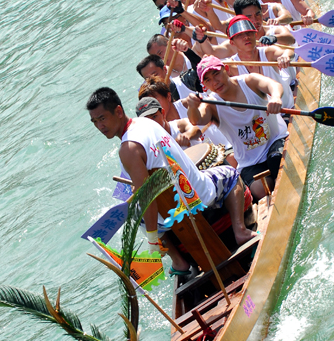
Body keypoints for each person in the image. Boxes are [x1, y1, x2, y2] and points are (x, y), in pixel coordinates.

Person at [87, 87, 257, 276]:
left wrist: (152, 240)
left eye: (102, 119)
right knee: (228, 172)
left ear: (118, 111)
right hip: (195, 196)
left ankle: (179, 262)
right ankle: (240, 230)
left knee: (136, 212)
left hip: (178, 213)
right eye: (95, 122)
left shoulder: (127, 150)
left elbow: (147, 199)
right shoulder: (146, 122)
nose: (100, 126)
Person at [185, 57, 288, 201]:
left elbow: (274, 85)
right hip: (249, 162)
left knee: (276, 160)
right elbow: (196, 119)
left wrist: (276, 98)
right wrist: (192, 105)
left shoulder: (249, 82)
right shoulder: (211, 105)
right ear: (205, 85)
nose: (215, 82)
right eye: (208, 80)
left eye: (216, 74)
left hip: (275, 141)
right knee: (261, 191)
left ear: (226, 69)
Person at [225, 16, 297, 109]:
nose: (246, 37)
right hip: (264, 119)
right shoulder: (231, 66)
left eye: (249, 33)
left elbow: (288, 51)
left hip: (287, 108)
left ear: (255, 35)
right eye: (240, 35)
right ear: (232, 43)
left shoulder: (268, 52)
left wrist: (285, 56)